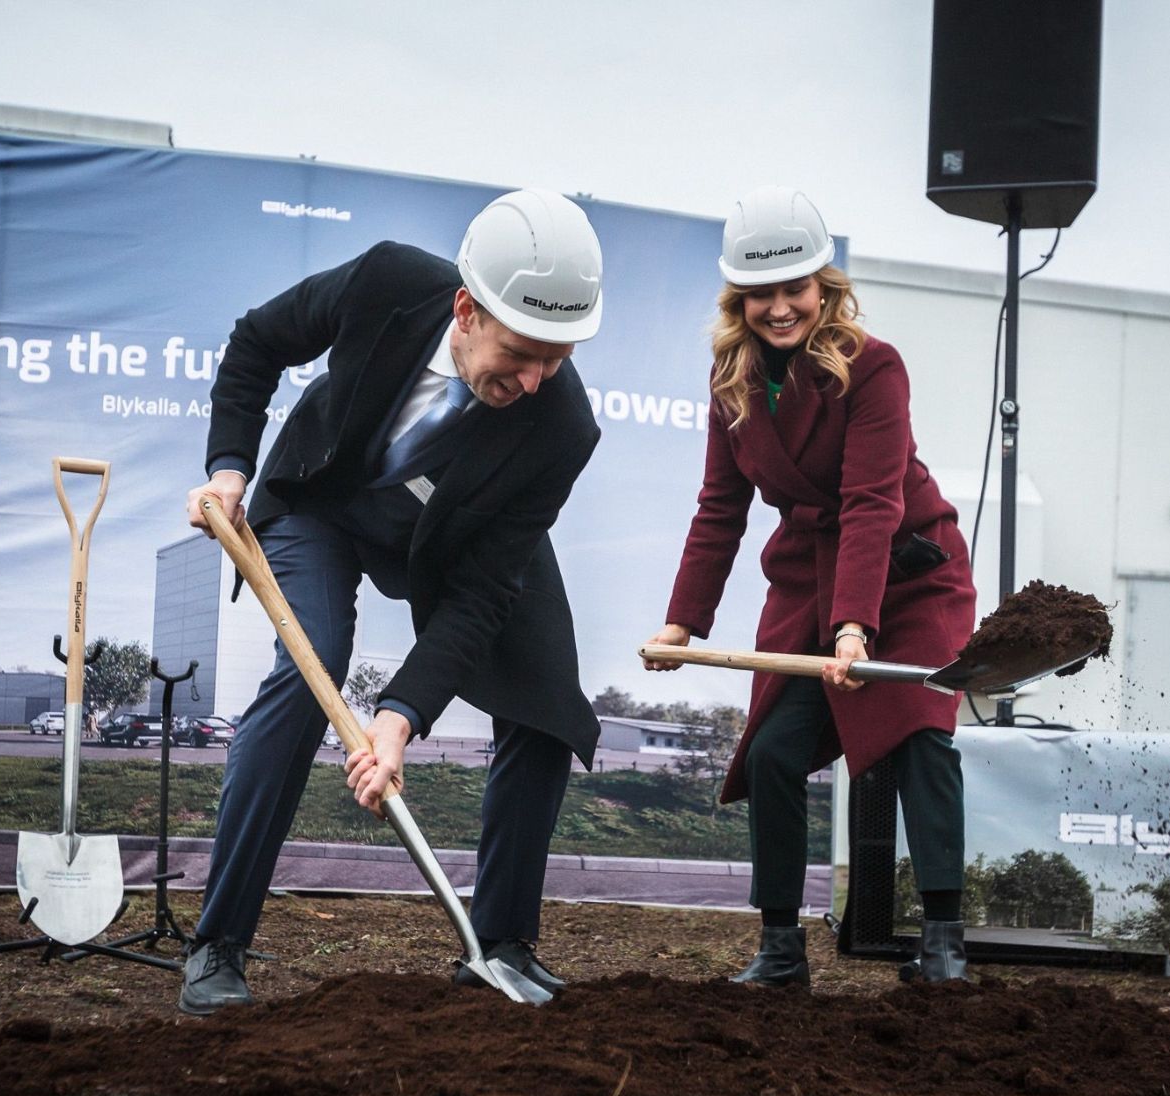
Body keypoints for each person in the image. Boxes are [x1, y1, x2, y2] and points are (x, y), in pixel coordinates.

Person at [178, 189, 605, 1016]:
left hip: (454, 540)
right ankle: (217, 943)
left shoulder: (561, 427)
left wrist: (400, 716)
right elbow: (257, 340)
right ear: (465, 309)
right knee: (313, 672)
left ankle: (501, 942)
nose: (534, 378)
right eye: (519, 352)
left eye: (555, 358)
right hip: (324, 501)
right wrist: (230, 468)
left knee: (548, 693)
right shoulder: (385, 282)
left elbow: (482, 594)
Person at [645, 186, 977, 987]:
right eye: (762, 294)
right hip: (809, 578)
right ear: (740, 299)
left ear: (823, 287)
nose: (780, 308)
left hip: (906, 571)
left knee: (921, 739)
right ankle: (780, 947)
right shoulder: (730, 377)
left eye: (795, 289)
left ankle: (942, 940)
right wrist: (682, 624)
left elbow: (872, 502)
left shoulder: (874, 365)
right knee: (773, 755)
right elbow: (720, 509)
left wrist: (855, 628)